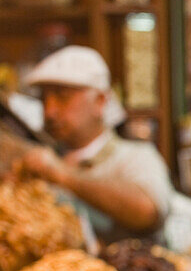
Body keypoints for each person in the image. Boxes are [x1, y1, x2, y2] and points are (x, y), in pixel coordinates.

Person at [16, 46, 175, 242]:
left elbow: (147, 211)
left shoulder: (136, 157)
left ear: (100, 101)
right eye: (44, 99)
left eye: (62, 97)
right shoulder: (42, 160)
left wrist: (62, 174)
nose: (49, 111)